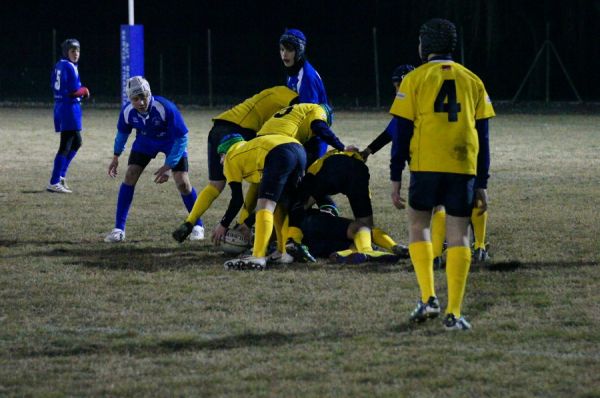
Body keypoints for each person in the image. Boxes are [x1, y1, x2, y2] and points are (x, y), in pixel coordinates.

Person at [388, 18, 495, 330]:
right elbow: (484, 136)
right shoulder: (473, 80)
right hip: (463, 167)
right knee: (459, 235)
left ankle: (428, 297)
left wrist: (396, 175)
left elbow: (401, 132)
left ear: (425, 45)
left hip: (425, 166)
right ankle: (455, 313)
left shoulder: (414, 79)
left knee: (417, 226)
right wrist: (482, 182)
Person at [171, 86, 298, 242]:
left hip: (218, 128)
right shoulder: (290, 98)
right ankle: (241, 225)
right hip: (242, 131)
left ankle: (189, 222)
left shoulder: (271, 93)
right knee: (260, 179)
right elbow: (294, 108)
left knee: (215, 185)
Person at [104, 76, 204, 242]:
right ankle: (118, 230)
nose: (141, 102)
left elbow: (182, 138)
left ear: (149, 94)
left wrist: (169, 165)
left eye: (143, 96)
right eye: (135, 99)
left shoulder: (165, 107)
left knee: (183, 183)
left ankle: (198, 225)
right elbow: (122, 134)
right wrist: (116, 156)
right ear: (130, 99)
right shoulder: (127, 111)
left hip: (171, 141)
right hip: (146, 140)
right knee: (130, 175)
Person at [213, 134, 306, 270]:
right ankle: (282, 252)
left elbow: (237, 199)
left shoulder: (231, 157)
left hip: (279, 153)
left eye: (221, 156)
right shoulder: (250, 149)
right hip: (299, 149)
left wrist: (223, 224)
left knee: (265, 204)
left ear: (225, 152)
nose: (221, 161)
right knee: (279, 205)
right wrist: (247, 223)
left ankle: (257, 256)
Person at [279, 28, 330, 160]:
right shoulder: (293, 71)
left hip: (313, 138)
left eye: (289, 50)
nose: (284, 54)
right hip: (302, 133)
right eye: (282, 49)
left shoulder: (306, 77)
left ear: (299, 51)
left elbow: (310, 117)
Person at [47, 38, 90, 193]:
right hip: (69, 108)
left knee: (76, 142)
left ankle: (61, 176)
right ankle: (54, 181)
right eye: (73, 51)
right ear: (66, 52)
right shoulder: (70, 67)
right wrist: (84, 91)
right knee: (66, 145)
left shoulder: (59, 65)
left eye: (78, 50)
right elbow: (74, 92)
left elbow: (53, 85)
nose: (76, 54)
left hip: (60, 106)